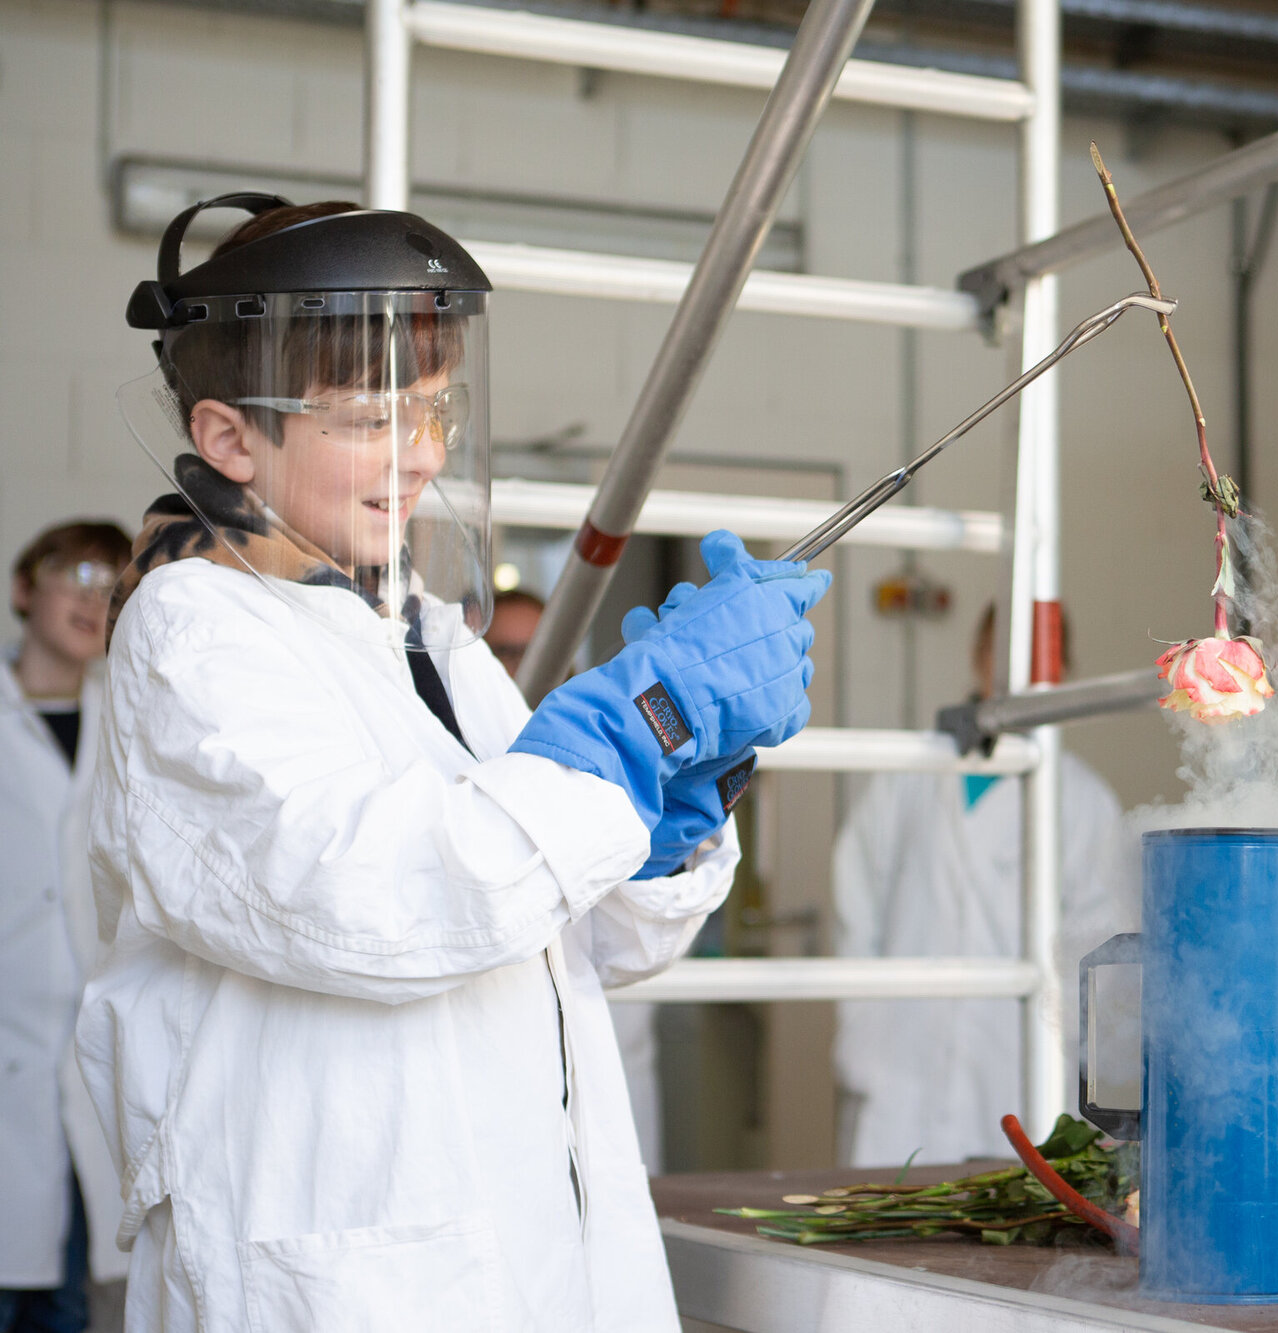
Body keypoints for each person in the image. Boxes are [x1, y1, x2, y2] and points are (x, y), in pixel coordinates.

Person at [81, 195, 826, 1331]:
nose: (422, 455)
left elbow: (577, 937)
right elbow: (369, 903)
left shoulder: (428, 633)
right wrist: (642, 721)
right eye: (372, 418)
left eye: (435, 410)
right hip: (344, 1268)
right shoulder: (195, 629)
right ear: (231, 437)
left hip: (524, 1243)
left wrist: (668, 800)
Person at [831, 605, 1139, 1167]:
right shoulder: (907, 771)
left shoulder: (1083, 800)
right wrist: (862, 1030)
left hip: (1017, 1062)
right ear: (977, 655)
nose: (1017, 668)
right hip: (901, 1054)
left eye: (1038, 655)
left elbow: (1100, 956)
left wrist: (1087, 1075)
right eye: (1003, 649)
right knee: (888, 1211)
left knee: (1005, 1217)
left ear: (1063, 672)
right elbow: (857, 899)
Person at [2, 522, 132, 1333]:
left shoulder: (133, 728)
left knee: (73, 1301)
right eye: (74, 573)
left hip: (92, 1070)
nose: (93, 596)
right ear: (24, 588)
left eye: (112, 583)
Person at [485, 584, 664, 1173]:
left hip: (604, 1047)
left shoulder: (602, 757)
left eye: (542, 648)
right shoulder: (465, 763)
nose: (524, 667)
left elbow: (642, 930)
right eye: (504, 651)